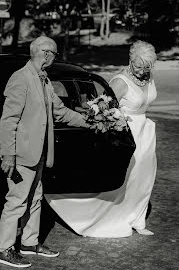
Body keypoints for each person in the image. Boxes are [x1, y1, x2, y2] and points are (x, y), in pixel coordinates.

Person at [46, 40, 158, 238]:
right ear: (130, 60)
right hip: (128, 134)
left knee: (144, 179)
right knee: (127, 180)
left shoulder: (148, 77)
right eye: (137, 66)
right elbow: (103, 108)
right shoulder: (120, 82)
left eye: (146, 67)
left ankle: (138, 219)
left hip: (146, 135)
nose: (141, 71)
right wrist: (117, 122)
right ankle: (105, 216)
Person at [0, 36, 89, 268]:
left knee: (35, 199)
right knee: (16, 200)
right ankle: (3, 248)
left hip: (39, 153)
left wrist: (90, 121)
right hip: (22, 154)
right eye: (55, 54)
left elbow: (60, 111)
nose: (55, 58)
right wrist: (8, 154)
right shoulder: (20, 78)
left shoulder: (44, 80)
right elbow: (9, 120)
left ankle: (28, 243)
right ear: (45, 54)